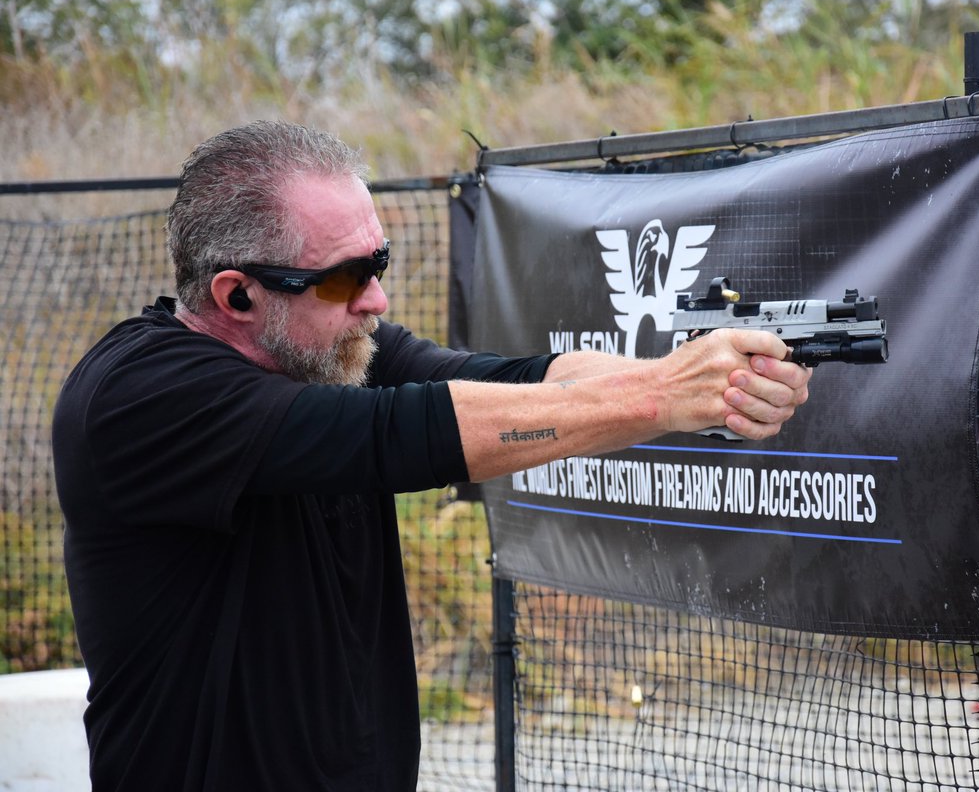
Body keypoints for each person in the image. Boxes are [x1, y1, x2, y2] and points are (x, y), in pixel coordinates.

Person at [52, 120, 812, 791]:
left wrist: (699, 374)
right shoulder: (140, 395)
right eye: (346, 278)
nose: (376, 300)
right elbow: (403, 433)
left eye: (377, 262)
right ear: (237, 295)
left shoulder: (326, 350)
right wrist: (663, 399)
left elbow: (516, 380)